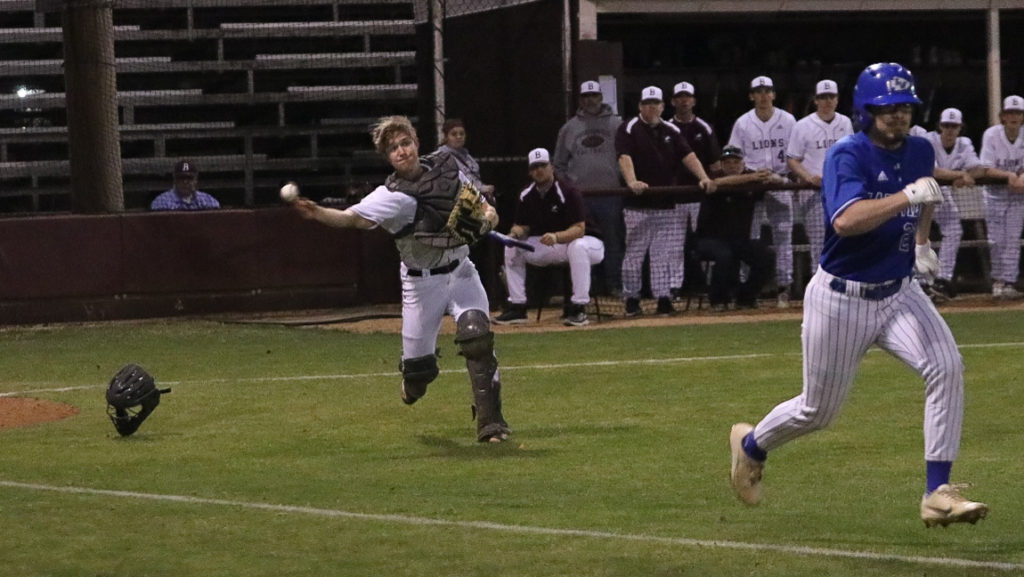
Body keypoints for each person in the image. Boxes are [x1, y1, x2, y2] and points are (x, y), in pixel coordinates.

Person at [729, 63, 989, 528]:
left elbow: (925, 194)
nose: (899, 116)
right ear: (867, 111)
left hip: (899, 290)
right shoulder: (847, 154)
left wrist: (924, 242)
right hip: (841, 297)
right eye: (888, 109)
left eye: (905, 107)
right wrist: (907, 196)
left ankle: (937, 492)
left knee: (947, 368)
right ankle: (751, 447)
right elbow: (846, 222)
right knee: (817, 411)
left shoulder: (920, 149)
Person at [290, 115, 511, 443]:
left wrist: (489, 215)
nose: (401, 151)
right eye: (393, 148)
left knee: (477, 337)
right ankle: (413, 379)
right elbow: (352, 219)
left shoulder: (446, 166)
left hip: (461, 270)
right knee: (419, 374)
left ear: (416, 143)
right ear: (387, 157)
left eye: (405, 143)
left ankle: (492, 425)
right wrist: (318, 213)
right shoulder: (390, 196)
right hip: (422, 285)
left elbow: (479, 202)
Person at [616, 85, 715, 317]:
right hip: (638, 205)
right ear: (640, 106)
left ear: (662, 106)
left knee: (663, 254)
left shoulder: (670, 129)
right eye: (647, 103)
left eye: (655, 103)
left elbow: (688, 155)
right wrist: (632, 181)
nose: (651, 107)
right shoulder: (629, 128)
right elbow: (624, 156)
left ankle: (663, 299)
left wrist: (703, 177)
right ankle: (632, 298)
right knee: (635, 253)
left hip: (666, 203)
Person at [493, 148, 605, 327]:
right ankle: (518, 306)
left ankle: (579, 307)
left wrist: (557, 236)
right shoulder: (526, 195)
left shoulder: (568, 191)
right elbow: (522, 225)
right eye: (535, 167)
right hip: (555, 245)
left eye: (543, 165)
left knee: (578, 247)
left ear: (551, 167)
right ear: (530, 171)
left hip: (589, 243)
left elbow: (579, 229)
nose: (539, 170)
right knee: (512, 246)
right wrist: (514, 234)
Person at [728, 76, 797, 308]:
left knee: (783, 236)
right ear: (751, 95)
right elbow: (734, 158)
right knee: (750, 237)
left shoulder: (788, 120)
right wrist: (749, 174)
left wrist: (783, 175)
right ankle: (748, 289)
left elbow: (795, 154)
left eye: (768, 90)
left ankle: (783, 287)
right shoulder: (742, 123)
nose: (764, 95)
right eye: (758, 91)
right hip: (752, 185)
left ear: (774, 94)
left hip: (781, 181)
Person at [553, 80, 624, 297]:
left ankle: (614, 286)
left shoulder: (617, 124)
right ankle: (587, 290)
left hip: (611, 194)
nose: (590, 100)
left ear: (601, 98)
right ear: (581, 99)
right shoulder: (569, 128)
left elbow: (628, 157)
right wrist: (570, 189)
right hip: (581, 198)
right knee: (580, 245)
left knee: (613, 242)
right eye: (586, 96)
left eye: (594, 96)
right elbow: (558, 164)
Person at [917, 107, 992, 301]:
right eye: (946, 125)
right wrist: (960, 175)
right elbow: (932, 171)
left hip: (940, 193)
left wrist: (967, 175)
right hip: (918, 191)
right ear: (939, 126)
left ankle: (942, 279)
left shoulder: (964, 143)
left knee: (954, 230)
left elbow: (979, 169)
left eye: (954, 126)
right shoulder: (928, 139)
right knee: (912, 235)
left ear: (960, 128)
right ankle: (917, 280)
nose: (950, 130)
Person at [786, 79, 854, 272]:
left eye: (831, 96)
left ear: (837, 99)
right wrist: (808, 177)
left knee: (844, 237)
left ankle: (843, 281)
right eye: (823, 97)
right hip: (814, 191)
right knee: (819, 241)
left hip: (841, 191)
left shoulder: (845, 122)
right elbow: (792, 159)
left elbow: (849, 155)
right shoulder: (802, 125)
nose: (827, 101)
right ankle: (821, 286)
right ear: (815, 100)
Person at [695, 146, 775, 311]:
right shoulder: (714, 177)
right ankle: (717, 300)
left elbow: (777, 180)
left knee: (766, 255)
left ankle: (745, 297)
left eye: (736, 162)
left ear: (742, 163)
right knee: (725, 255)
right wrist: (752, 176)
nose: (732, 166)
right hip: (709, 240)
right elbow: (716, 183)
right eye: (728, 162)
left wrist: (769, 176)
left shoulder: (750, 179)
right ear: (722, 165)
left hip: (739, 240)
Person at [668, 81, 722, 300]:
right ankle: (673, 287)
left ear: (694, 101)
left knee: (703, 242)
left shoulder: (703, 128)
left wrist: (714, 189)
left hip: (699, 198)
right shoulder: (665, 127)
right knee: (674, 243)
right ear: (672, 101)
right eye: (679, 97)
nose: (683, 100)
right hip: (673, 197)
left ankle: (704, 285)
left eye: (687, 96)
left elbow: (715, 165)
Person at [979, 95, 1024, 300]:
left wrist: (1021, 177)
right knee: (996, 240)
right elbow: (985, 167)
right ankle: (998, 280)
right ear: (1003, 116)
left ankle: (1009, 282)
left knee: (1013, 239)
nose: (1014, 116)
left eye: (1018, 113)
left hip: (1017, 196)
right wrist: (1010, 176)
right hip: (994, 195)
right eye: (1010, 113)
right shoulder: (991, 135)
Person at [435, 118, 496, 201]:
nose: (458, 137)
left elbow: (473, 177)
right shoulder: (442, 156)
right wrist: (481, 188)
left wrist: (483, 189)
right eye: (454, 134)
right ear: (446, 137)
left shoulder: (467, 155)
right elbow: (453, 184)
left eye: (461, 134)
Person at [149, 160, 221, 211]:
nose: (185, 182)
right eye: (181, 178)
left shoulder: (208, 201)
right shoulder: (161, 202)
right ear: (174, 180)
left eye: (189, 178)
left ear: (196, 180)